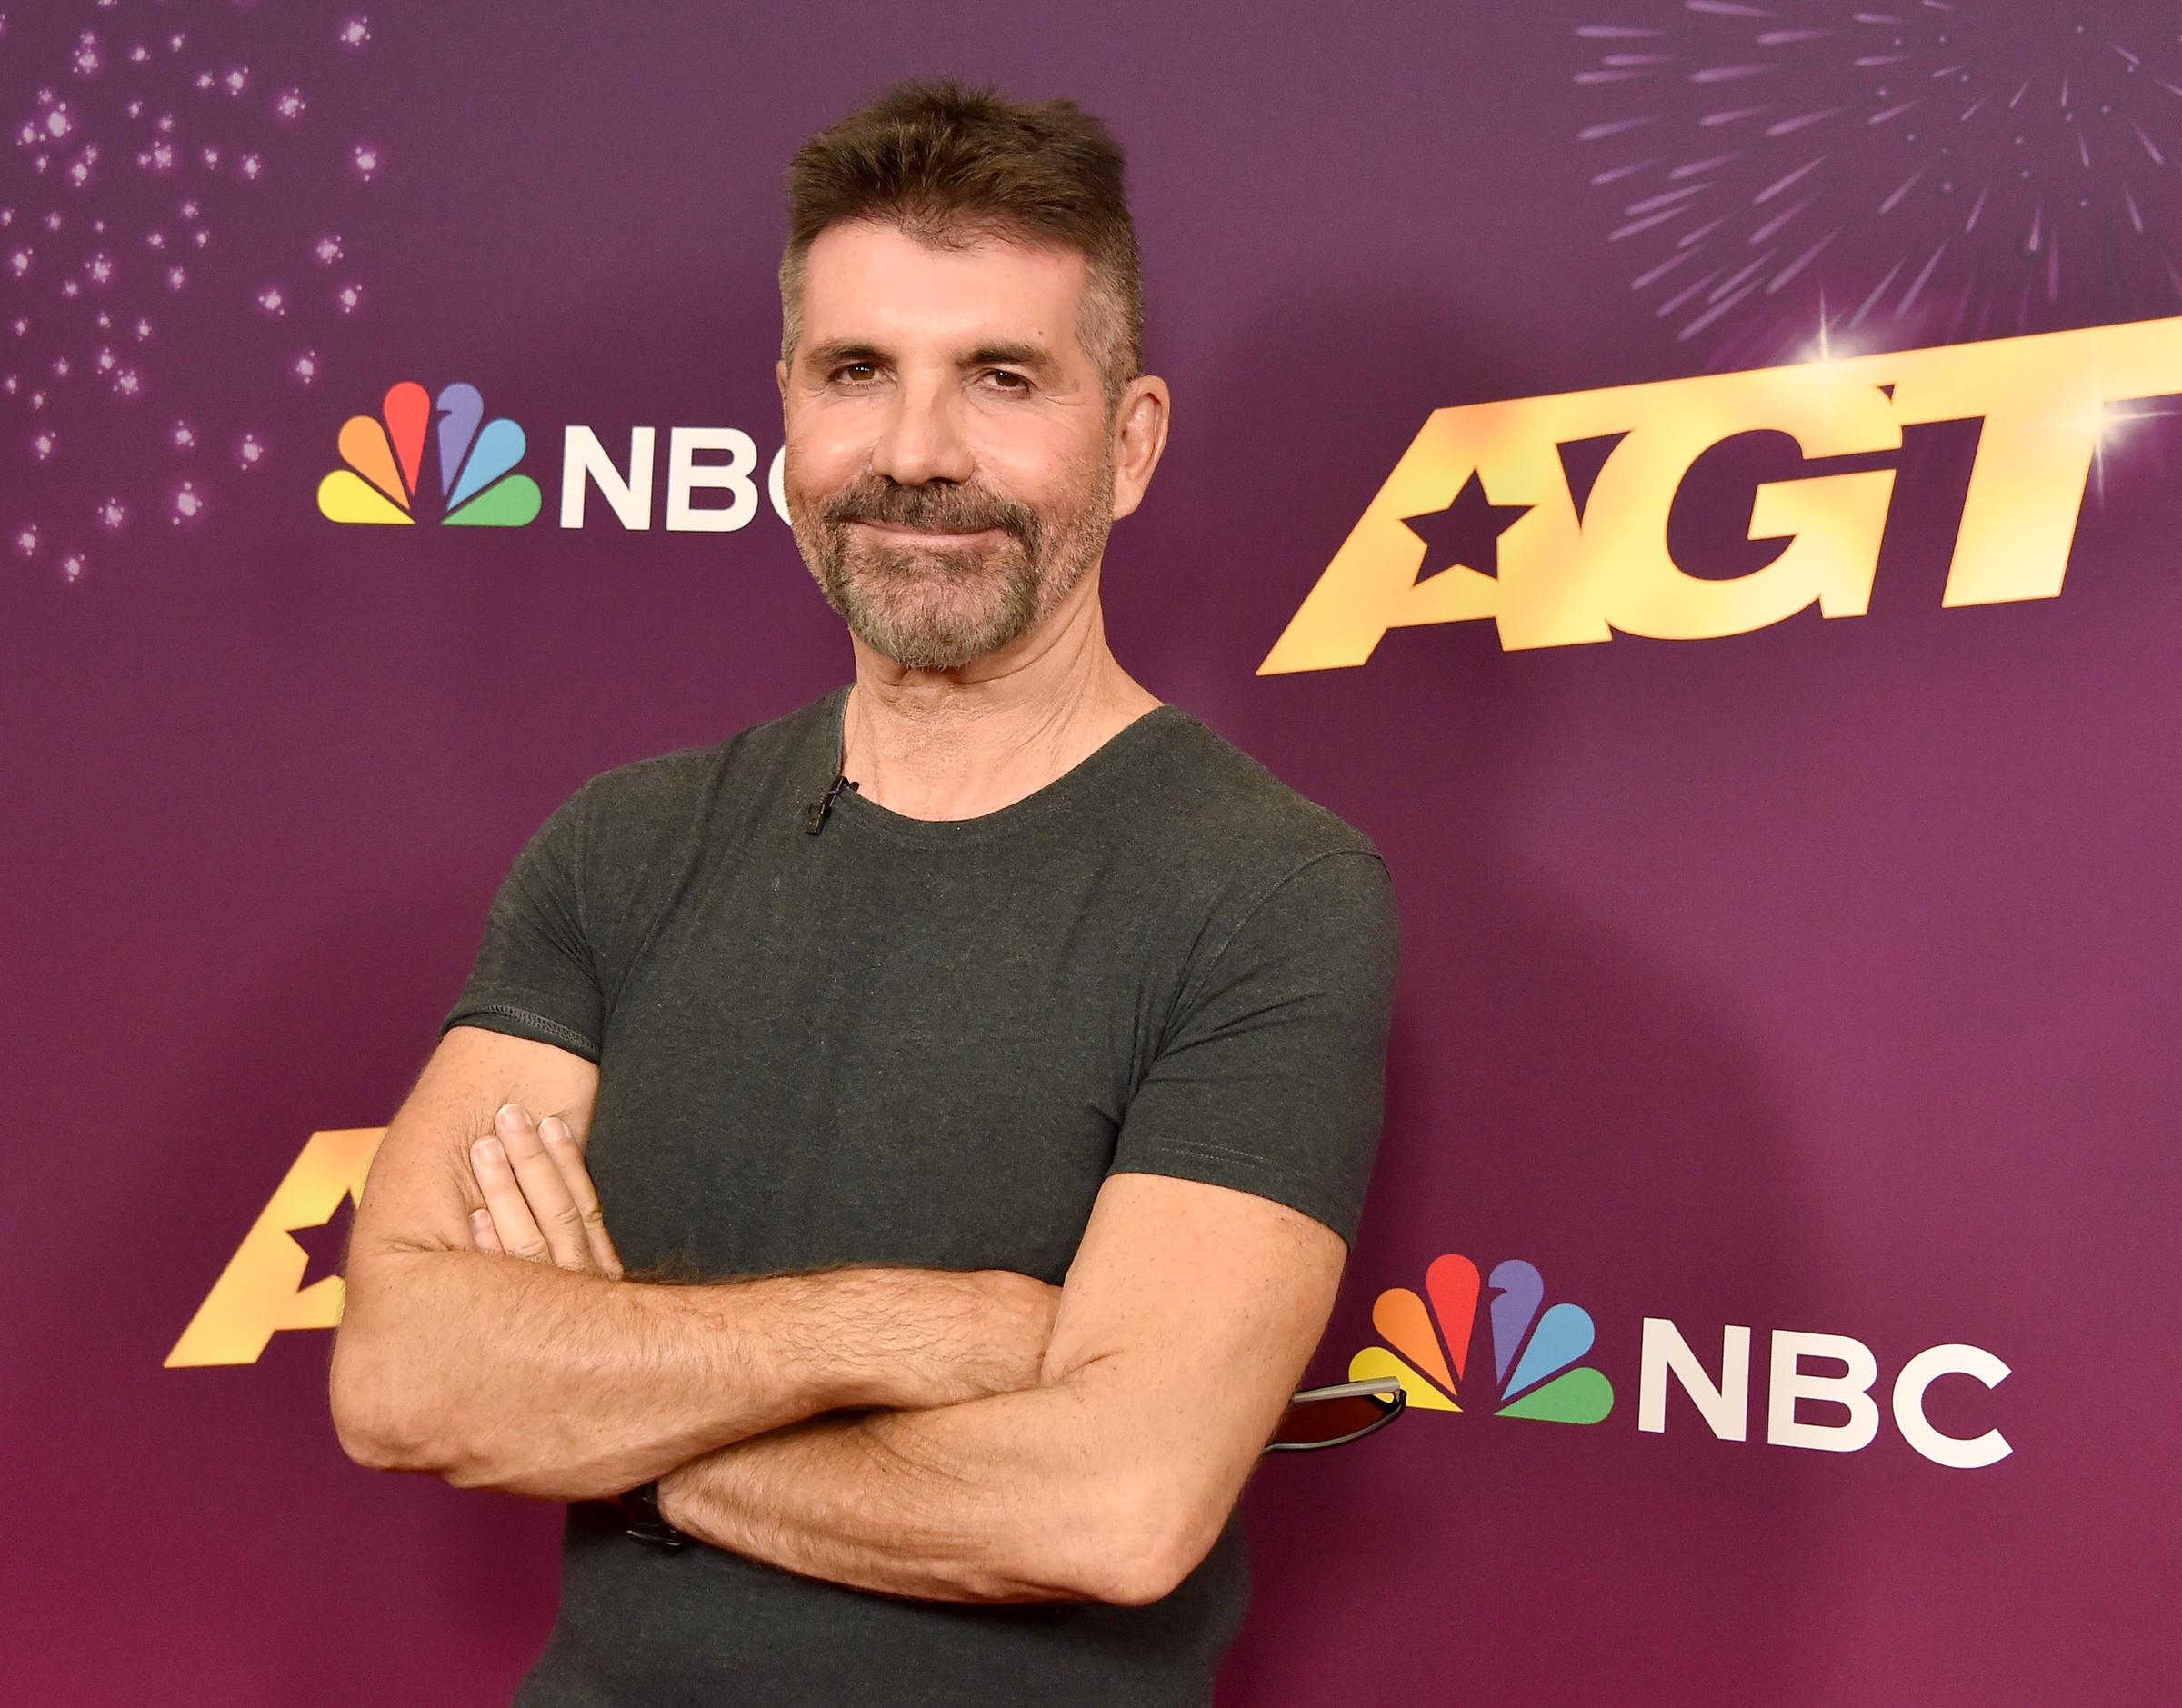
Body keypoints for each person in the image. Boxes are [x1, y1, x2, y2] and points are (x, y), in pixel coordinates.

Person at [329, 76, 1399, 1708]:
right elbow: (404, 1377)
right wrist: (900, 1332)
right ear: (785, 419)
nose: (914, 452)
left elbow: (1118, 1506)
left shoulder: (1270, 892)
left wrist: (626, 1430)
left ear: (1129, 442)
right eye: (857, 373)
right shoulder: (624, 846)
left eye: (1001, 377)